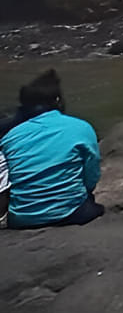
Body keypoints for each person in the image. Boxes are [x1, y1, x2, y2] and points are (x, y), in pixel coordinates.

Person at [2, 71, 101, 228]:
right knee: (95, 208)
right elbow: (91, 174)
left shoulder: (10, 137)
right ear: (57, 100)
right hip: (71, 213)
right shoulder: (81, 127)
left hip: (21, 219)